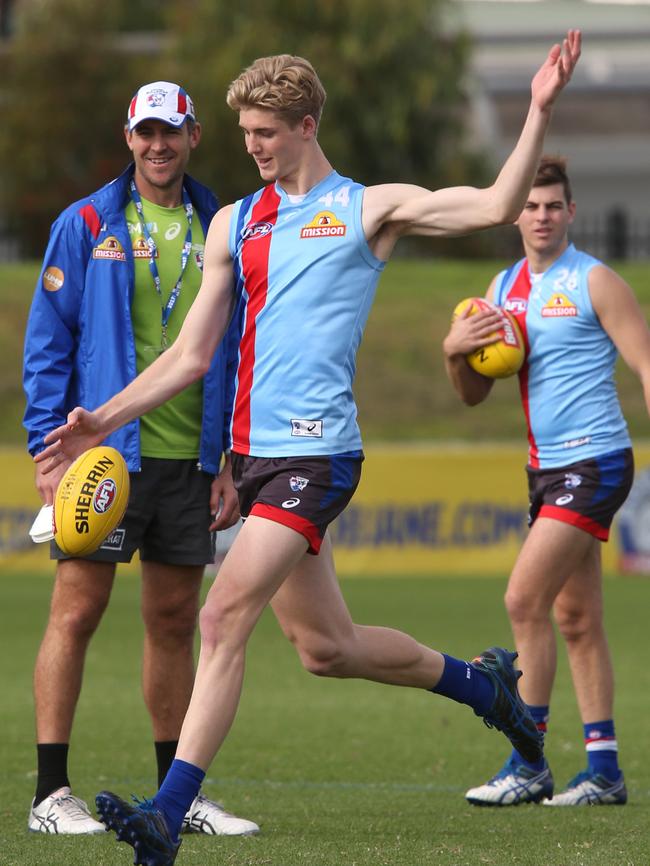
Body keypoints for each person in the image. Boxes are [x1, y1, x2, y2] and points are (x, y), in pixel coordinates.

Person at [35, 38, 580, 865]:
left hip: (317, 456)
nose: (251, 145)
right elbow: (188, 356)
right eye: (246, 131)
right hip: (253, 461)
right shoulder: (236, 220)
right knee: (329, 649)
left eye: (265, 131)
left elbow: (498, 202)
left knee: (220, 617)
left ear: (306, 123)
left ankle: (166, 815)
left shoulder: (369, 209)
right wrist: (100, 421)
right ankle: (489, 689)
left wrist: (538, 107)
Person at [23, 81, 258, 837]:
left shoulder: (222, 223)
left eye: (172, 132)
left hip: (189, 455)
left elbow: (234, 346)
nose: (159, 145)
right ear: (129, 138)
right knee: (77, 611)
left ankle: (174, 798)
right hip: (103, 458)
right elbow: (48, 343)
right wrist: (46, 448)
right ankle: (50, 795)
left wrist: (226, 457)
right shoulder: (86, 221)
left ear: (192, 138)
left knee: (172, 619)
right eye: (146, 132)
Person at [443, 155, 650, 807]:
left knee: (522, 600)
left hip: (596, 461)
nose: (541, 216)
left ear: (571, 213)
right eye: (530, 206)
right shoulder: (501, 290)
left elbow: (646, 365)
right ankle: (605, 771)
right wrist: (455, 350)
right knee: (577, 617)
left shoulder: (596, 282)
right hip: (545, 469)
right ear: (517, 216)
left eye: (553, 205)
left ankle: (527, 761)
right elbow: (474, 394)